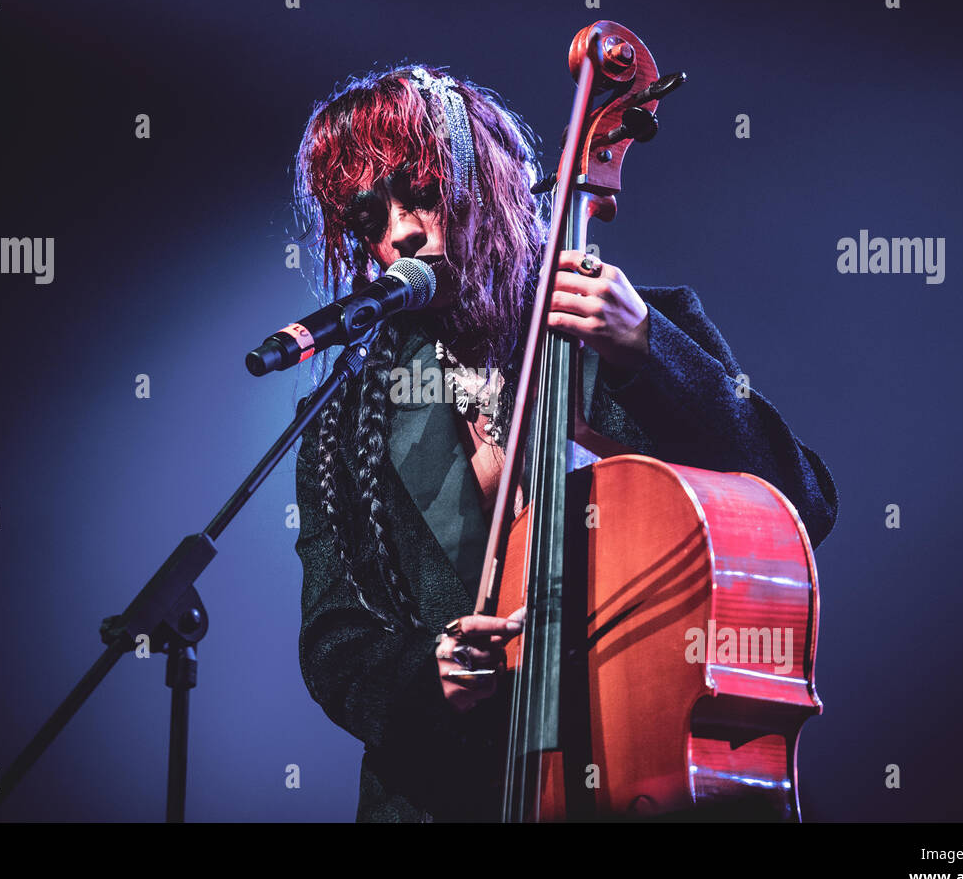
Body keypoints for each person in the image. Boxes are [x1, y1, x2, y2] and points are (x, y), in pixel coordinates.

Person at [288, 64, 838, 821]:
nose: (401, 232)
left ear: (485, 183)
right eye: (369, 221)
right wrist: (428, 673)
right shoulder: (345, 420)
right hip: (443, 799)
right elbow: (332, 637)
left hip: (634, 779)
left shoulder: (637, 338)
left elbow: (796, 503)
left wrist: (648, 352)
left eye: (420, 193)